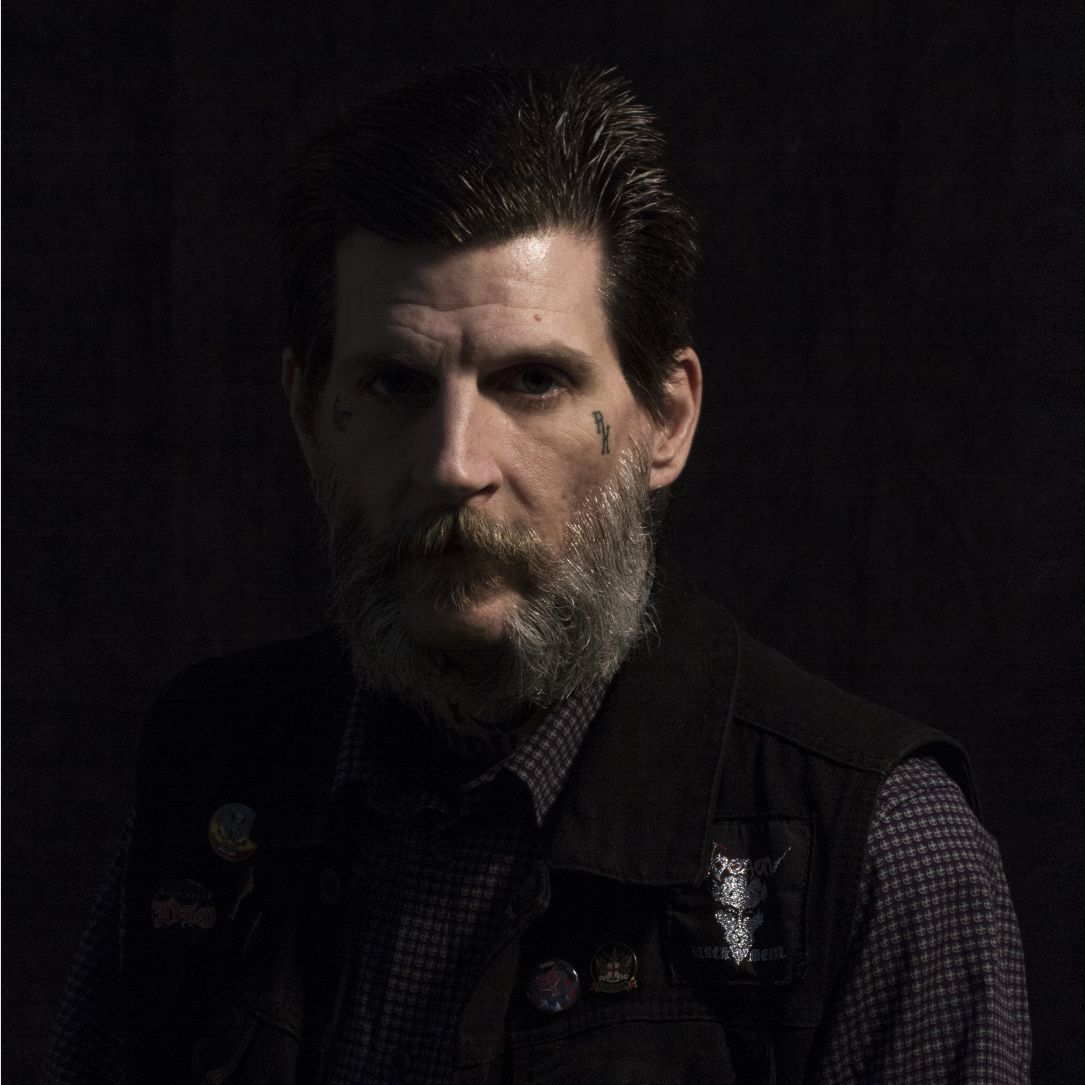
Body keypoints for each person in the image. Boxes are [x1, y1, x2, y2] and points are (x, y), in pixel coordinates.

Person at [44, 64, 1029, 1084]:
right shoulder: (211, 766)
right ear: (308, 415)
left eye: (531, 381)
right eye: (393, 384)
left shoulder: (878, 851)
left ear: (665, 420)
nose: (453, 464)